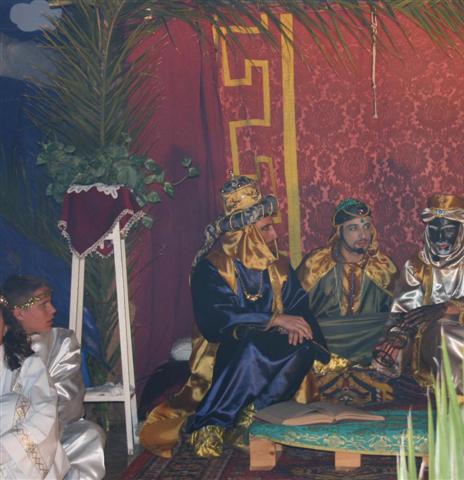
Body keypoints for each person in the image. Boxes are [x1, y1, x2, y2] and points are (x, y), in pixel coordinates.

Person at [140, 176, 329, 458]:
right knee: (252, 347)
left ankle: (253, 416)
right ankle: (212, 422)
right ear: (246, 234)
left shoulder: (278, 264)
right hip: (225, 349)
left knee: (302, 348)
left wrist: (298, 326)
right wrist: (274, 320)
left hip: (272, 345)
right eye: (265, 229)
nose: (274, 235)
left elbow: (298, 305)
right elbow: (215, 320)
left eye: (272, 227)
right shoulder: (211, 268)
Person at [371, 194, 464, 390]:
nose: (440, 238)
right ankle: (459, 397)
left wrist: (445, 308)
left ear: (462, 229)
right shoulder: (417, 265)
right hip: (436, 333)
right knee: (443, 334)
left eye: (448, 230)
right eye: (434, 230)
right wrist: (396, 340)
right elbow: (403, 314)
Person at [1, 275, 106, 479]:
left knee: (89, 436)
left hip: (46, 431)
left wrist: (29, 430)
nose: (53, 310)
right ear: (18, 313)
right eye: (44, 305)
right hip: (11, 433)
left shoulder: (59, 342)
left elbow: (67, 405)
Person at [297, 198, 397, 366]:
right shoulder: (317, 263)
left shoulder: (383, 267)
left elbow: (399, 314)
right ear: (339, 231)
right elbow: (294, 306)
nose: (363, 235)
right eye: (353, 228)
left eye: (366, 227)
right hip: (326, 339)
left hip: (369, 340)